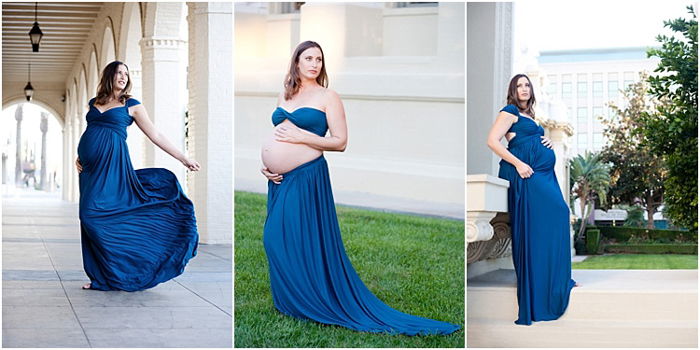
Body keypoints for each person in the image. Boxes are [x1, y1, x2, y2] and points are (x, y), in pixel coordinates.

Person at [259, 40, 459, 335]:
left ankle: (311, 299)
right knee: (280, 238)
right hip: (279, 179)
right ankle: (293, 300)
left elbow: (339, 142)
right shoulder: (285, 94)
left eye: (319, 59)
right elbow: (278, 133)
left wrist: (301, 136)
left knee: (277, 236)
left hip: (307, 176)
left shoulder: (329, 97)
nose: (315, 64)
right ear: (297, 63)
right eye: (309, 58)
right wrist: (267, 164)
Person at [75, 61, 200, 291]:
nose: (123, 76)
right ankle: (100, 278)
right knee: (87, 218)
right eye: (118, 72)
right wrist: (79, 155)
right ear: (109, 76)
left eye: (126, 73)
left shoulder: (131, 104)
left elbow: (155, 134)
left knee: (93, 215)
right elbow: (90, 131)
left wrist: (183, 158)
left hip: (113, 168)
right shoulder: (95, 102)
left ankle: (128, 269)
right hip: (90, 171)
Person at [486, 74, 578, 325]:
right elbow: (492, 141)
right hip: (524, 173)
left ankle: (555, 279)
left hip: (542, 173)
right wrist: (518, 164)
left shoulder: (531, 116)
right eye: (519, 86)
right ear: (513, 91)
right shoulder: (509, 111)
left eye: (527, 85)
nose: (524, 89)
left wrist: (545, 138)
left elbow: (527, 138)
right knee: (554, 215)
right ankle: (541, 287)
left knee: (556, 217)